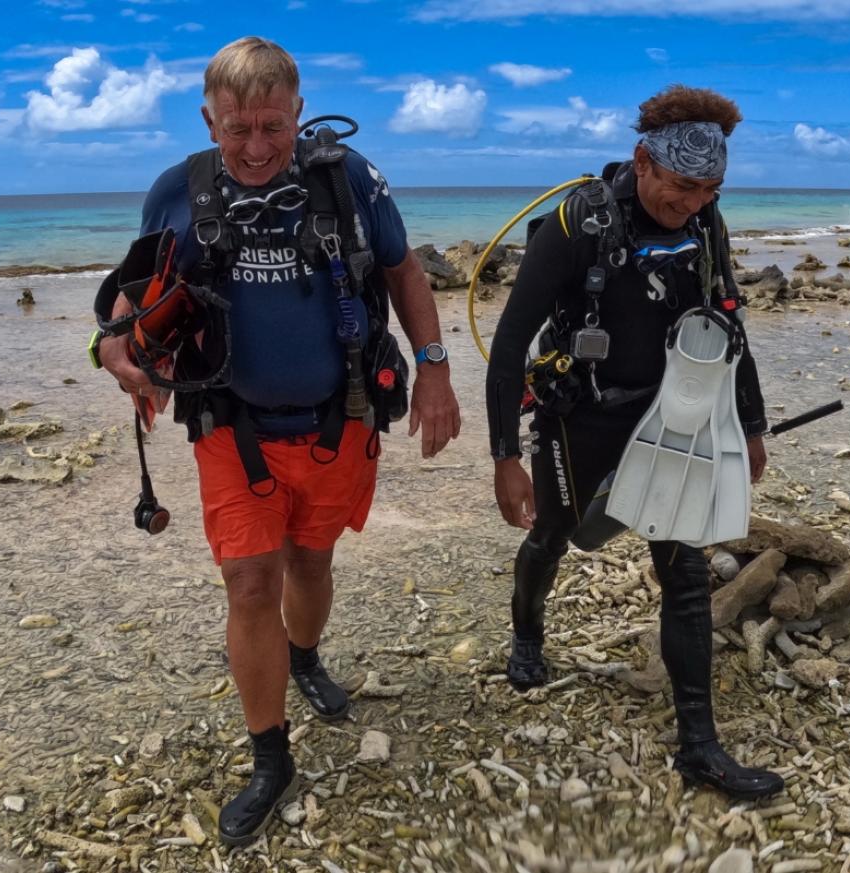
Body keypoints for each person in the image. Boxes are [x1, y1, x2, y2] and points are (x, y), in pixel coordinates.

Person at [94, 37, 461, 847]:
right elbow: (129, 301)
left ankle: (304, 656)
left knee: (312, 561)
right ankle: (270, 756)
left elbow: (402, 272)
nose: (256, 148)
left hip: (342, 417)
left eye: (272, 127)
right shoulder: (175, 193)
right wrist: (117, 354)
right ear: (208, 120)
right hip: (231, 426)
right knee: (250, 584)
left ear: (298, 113)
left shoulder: (349, 180)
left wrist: (435, 367)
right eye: (237, 129)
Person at [484, 85, 785, 800]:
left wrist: (750, 424)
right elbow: (505, 350)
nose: (695, 202)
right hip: (579, 417)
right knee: (554, 535)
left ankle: (700, 748)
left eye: (710, 189)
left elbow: (730, 321)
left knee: (682, 574)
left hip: (673, 415)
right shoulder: (573, 224)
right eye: (682, 187)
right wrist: (503, 457)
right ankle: (528, 634)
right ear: (641, 161)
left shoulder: (706, 221)